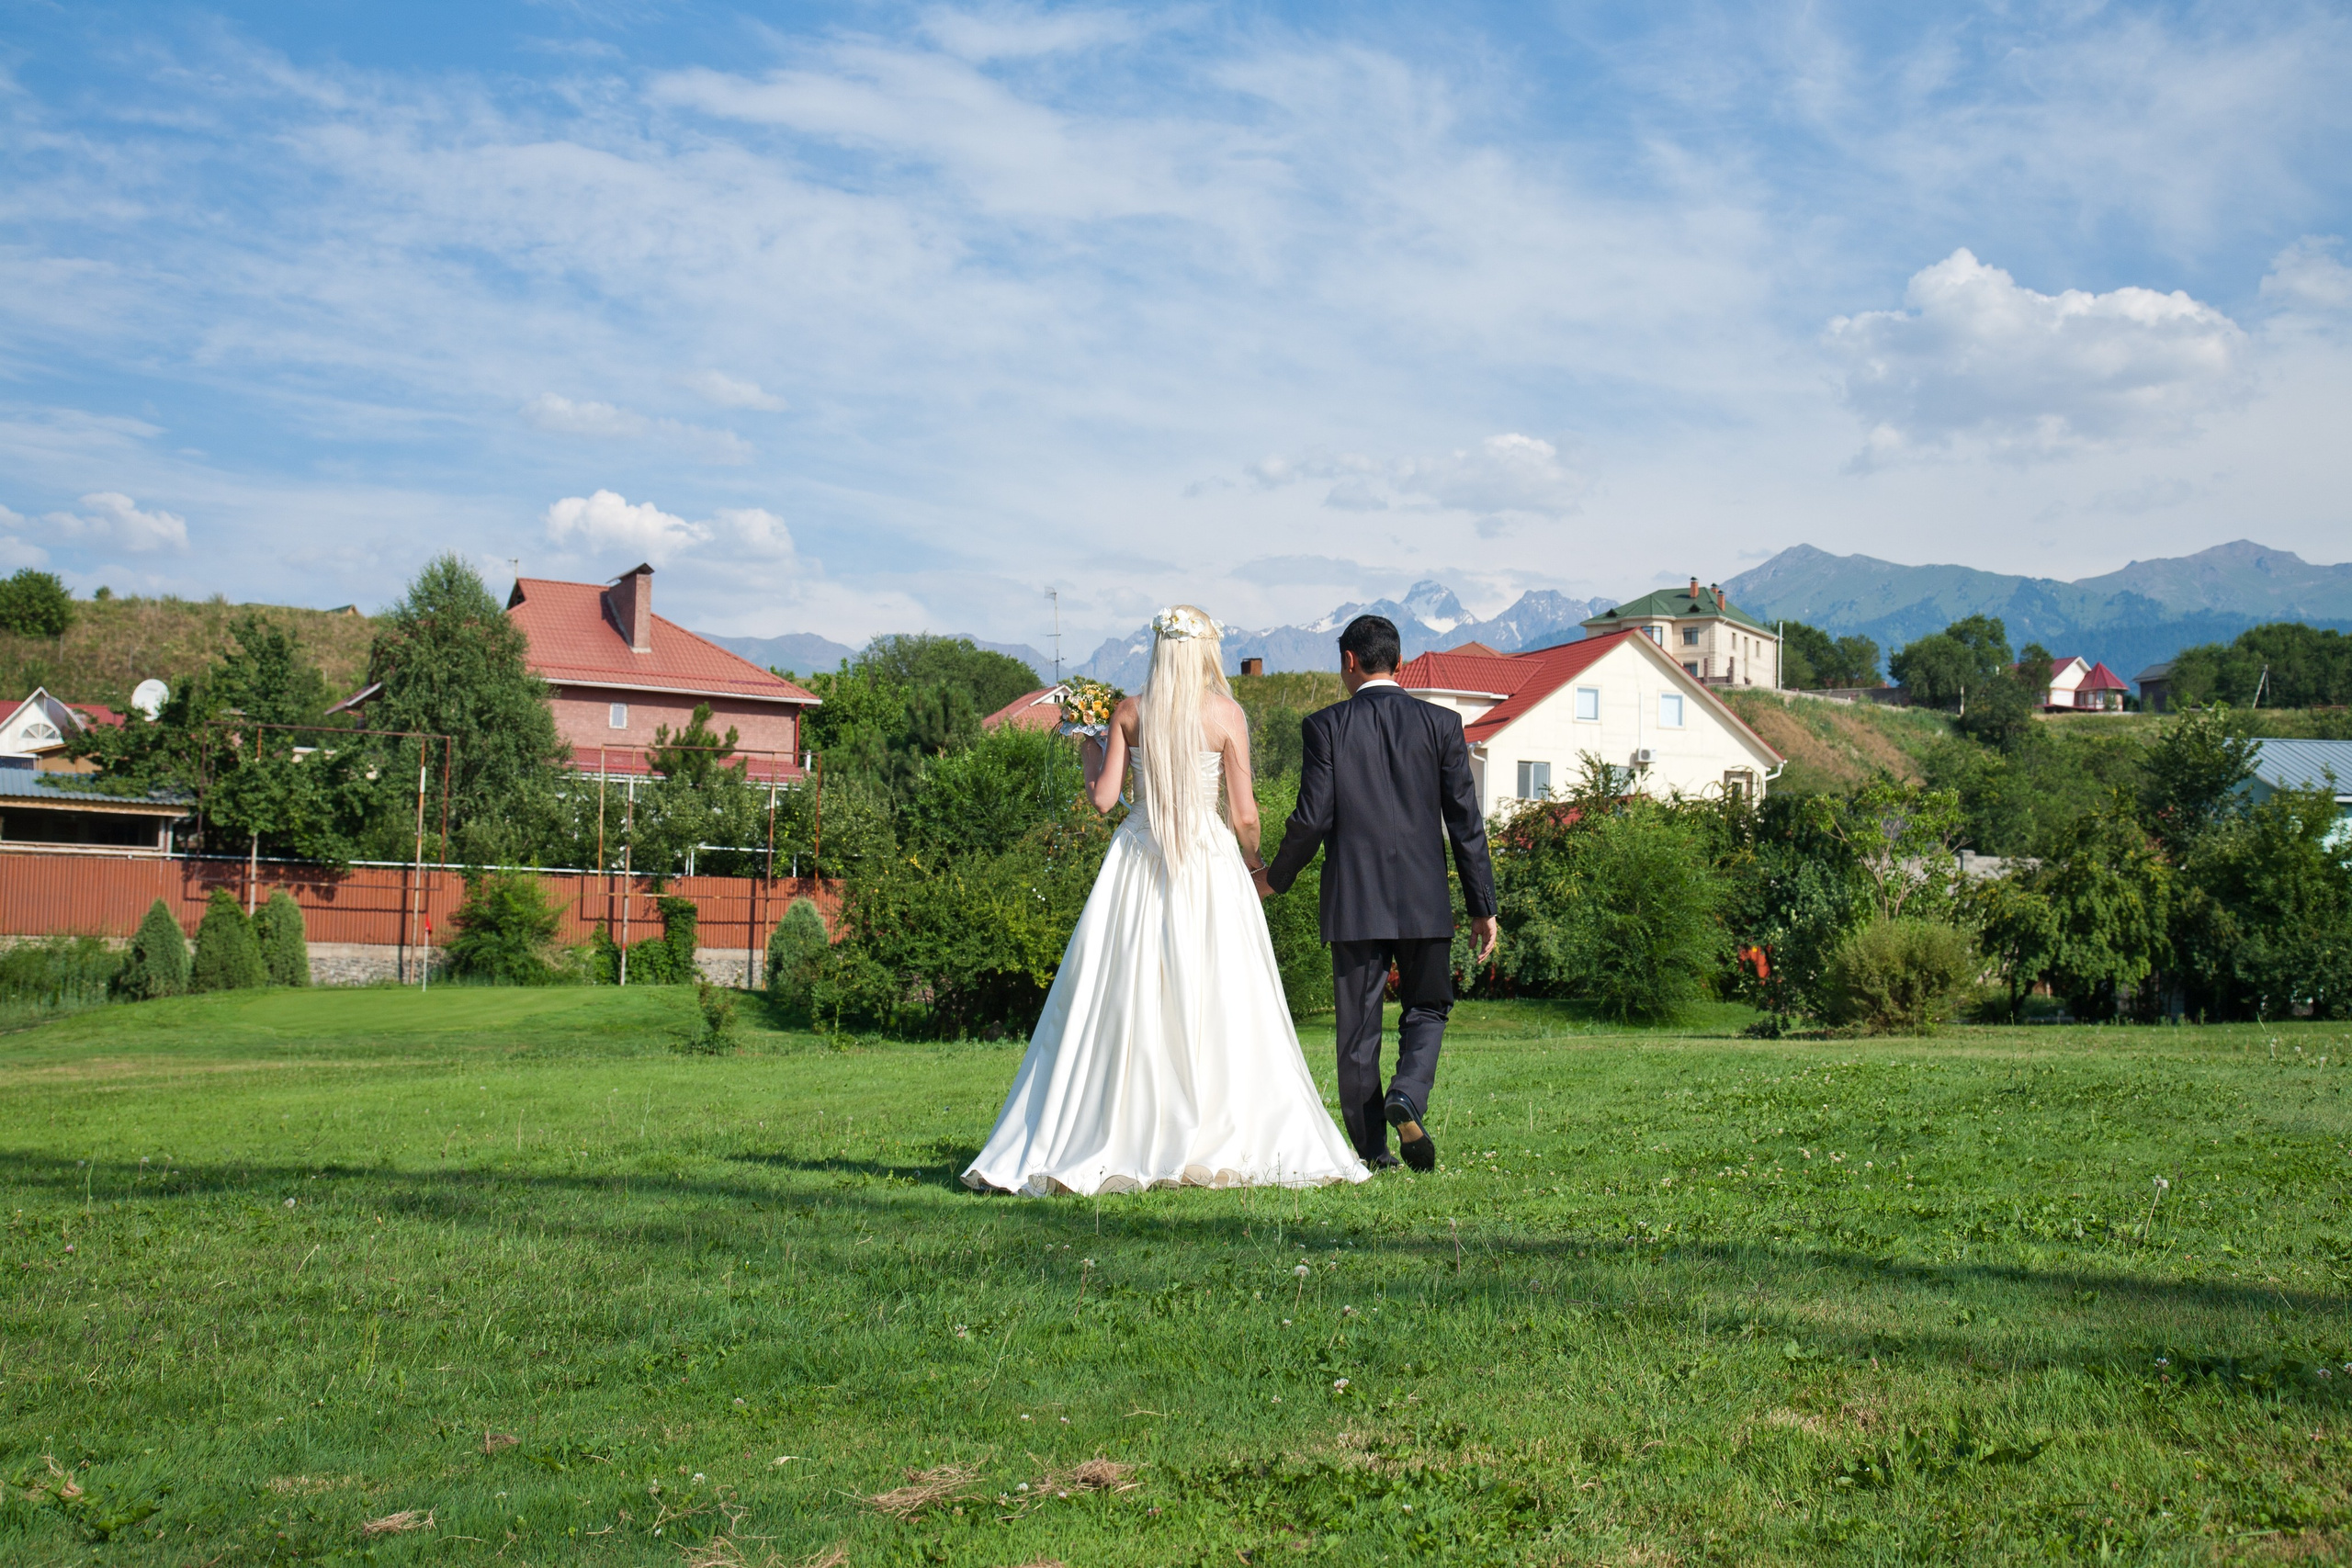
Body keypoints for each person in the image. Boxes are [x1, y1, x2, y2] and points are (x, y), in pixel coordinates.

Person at [962, 604, 1367, 1196]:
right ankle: (1217, 1130)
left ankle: (1122, 1126)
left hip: (1140, 857)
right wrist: (1252, 861)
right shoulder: (1227, 714)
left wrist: (1086, 746)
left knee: (1126, 992)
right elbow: (1245, 812)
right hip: (1207, 860)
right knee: (1221, 991)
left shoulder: (1131, 711)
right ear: (1204, 650)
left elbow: (1105, 801)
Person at [1258, 614, 1498, 1172]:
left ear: (1349, 661)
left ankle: (1372, 1153)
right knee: (1429, 1007)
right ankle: (1408, 1091)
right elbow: (1466, 822)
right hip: (1424, 902)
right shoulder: (1442, 724)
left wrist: (1276, 877)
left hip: (1354, 902)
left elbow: (1312, 820)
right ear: (1402, 662)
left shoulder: (1326, 726)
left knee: (1357, 1031)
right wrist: (1482, 906)